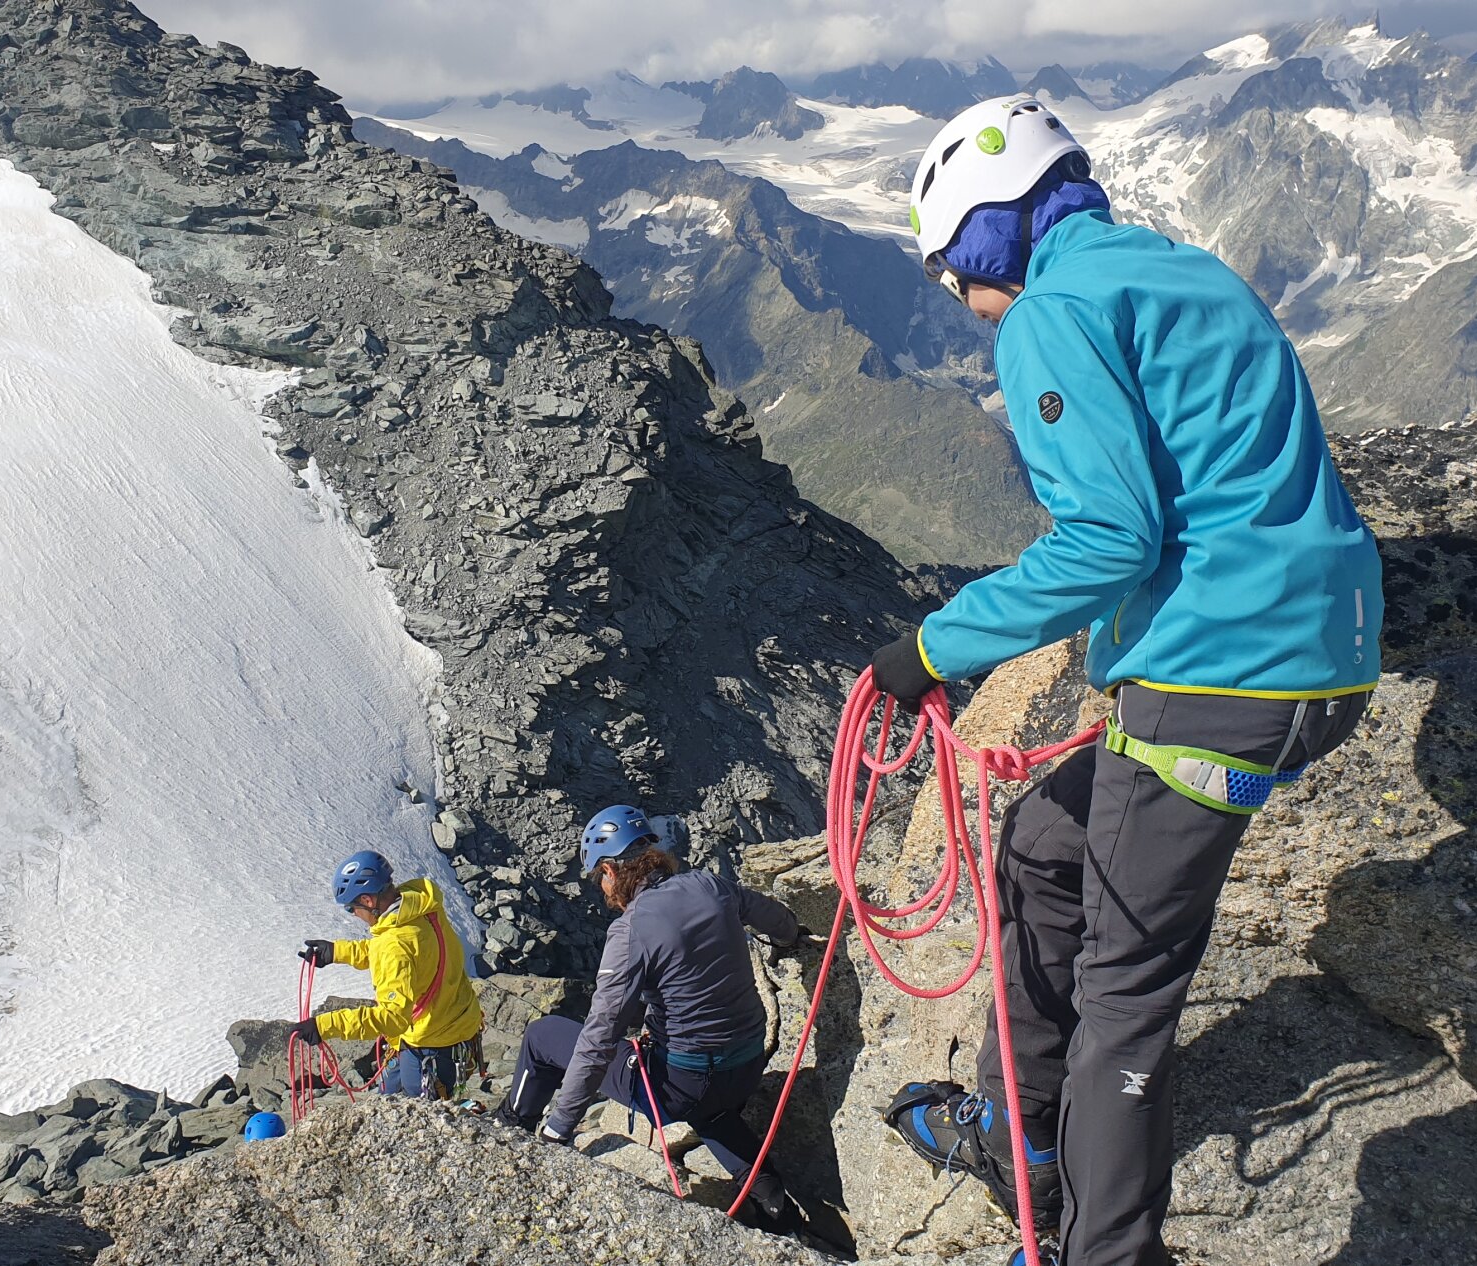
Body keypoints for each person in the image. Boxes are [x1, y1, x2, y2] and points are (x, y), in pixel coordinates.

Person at [874, 95, 1384, 1266]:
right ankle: (1022, 1130)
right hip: (1315, 653)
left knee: (1125, 993)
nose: (962, 299)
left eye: (955, 270)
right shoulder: (1175, 270)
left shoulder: (1050, 314)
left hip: (1221, 676)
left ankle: (1098, 1248)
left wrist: (933, 649)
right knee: (1044, 846)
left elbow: (1108, 539)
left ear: (988, 232)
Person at [496, 805, 802, 1232]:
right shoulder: (710, 885)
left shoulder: (631, 930)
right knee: (710, 1108)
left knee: (543, 1035)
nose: (603, 890)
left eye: (599, 878)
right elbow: (779, 921)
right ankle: (772, 1202)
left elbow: (599, 1038)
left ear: (609, 869)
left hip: (684, 1085)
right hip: (747, 1064)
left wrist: (559, 1128)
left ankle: (511, 1133)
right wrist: (791, 939)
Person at [290, 849, 484, 1100]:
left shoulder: (393, 943)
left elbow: (392, 1018)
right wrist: (337, 952)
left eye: (351, 908)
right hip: (455, 1020)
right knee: (390, 1095)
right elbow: (407, 953)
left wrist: (325, 1025)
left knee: (416, 1111)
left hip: (430, 1041)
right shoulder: (421, 906)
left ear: (368, 900)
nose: (354, 914)